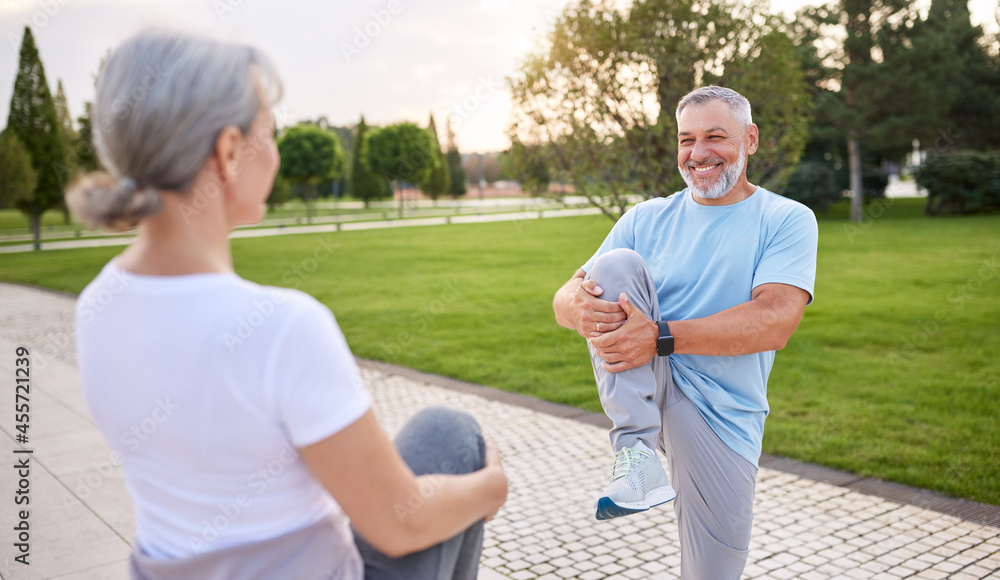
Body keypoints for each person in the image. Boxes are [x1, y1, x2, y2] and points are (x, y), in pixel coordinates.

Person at [68, 29, 507, 580]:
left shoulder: (96, 306)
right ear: (228, 153)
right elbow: (399, 524)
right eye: (267, 133)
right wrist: (491, 487)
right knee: (450, 431)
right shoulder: (281, 329)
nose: (273, 153)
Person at [552, 86, 818, 579]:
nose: (698, 154)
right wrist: (579, 310)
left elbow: (775, 320)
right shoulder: (646, 216)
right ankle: (635, 452)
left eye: (715, 136)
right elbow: (566, 296)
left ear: (751, 139)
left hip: (720, 413)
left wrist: (660, 337)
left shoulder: (786, 219)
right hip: (641, 382)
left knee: (712, 572)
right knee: (616, 265)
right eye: (687, 140)